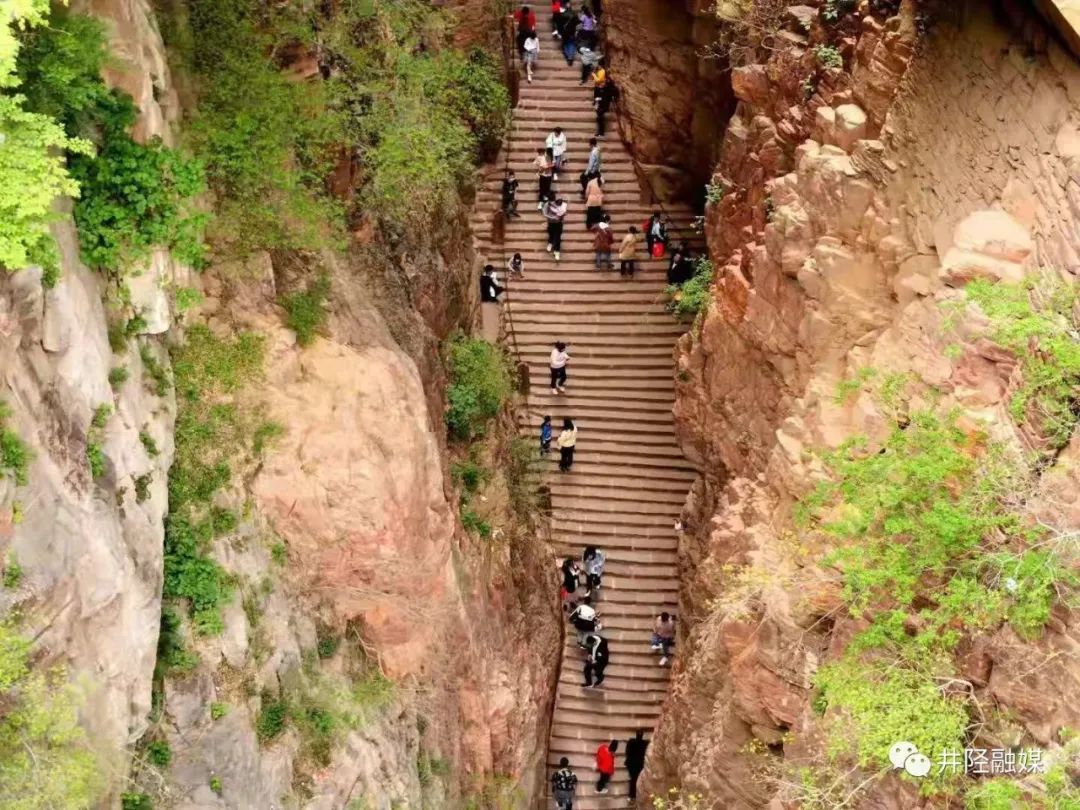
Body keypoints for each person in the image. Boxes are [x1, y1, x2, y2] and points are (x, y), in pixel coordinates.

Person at [625, 730, 649, 802]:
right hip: (640, 765)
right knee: (639, 780)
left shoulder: (631, 742)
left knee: (632, 780)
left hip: (632, 765)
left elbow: (627, 752)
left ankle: (632, 796)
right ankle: (638, 795)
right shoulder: (645, 744)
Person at [542, 197, 569, 261]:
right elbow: (544, 213)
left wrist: (562, 214)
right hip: (551, 222)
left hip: (559, 223)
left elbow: (563, 212)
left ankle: (557, 251)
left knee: (558, 236)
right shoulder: (547, 205)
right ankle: (550, 243)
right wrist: (552, 217)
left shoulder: (563, 205)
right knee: (551, 233)